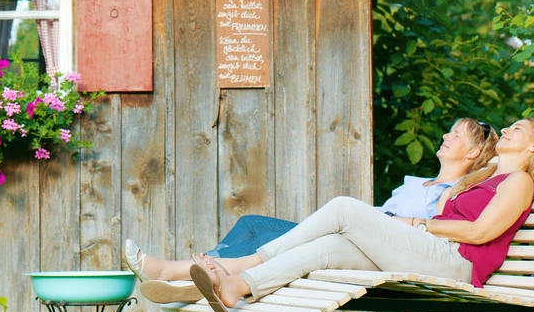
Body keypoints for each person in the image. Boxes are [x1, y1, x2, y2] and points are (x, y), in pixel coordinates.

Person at [187, 118, 534, 312]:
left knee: (344, 208)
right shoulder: (483, 178)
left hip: (457, 262)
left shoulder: (520, 182)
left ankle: (242, 264)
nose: (509, 130)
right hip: (434, 250)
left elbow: (481, 232)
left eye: (519, 129)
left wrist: (418, 224)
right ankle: (239, 286)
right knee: (330, 246)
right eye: (510, 126)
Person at [126, 118, 498, 302]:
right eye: (448, 131)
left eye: (456, 135)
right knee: (253, 222)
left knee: (329, 213)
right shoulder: (414, 184)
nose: (446, 137)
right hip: (355, 235)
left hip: (386, 247)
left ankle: (185, 271)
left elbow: (429, 236)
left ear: (471, 153)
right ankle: (207, 277)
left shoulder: (456, 192)